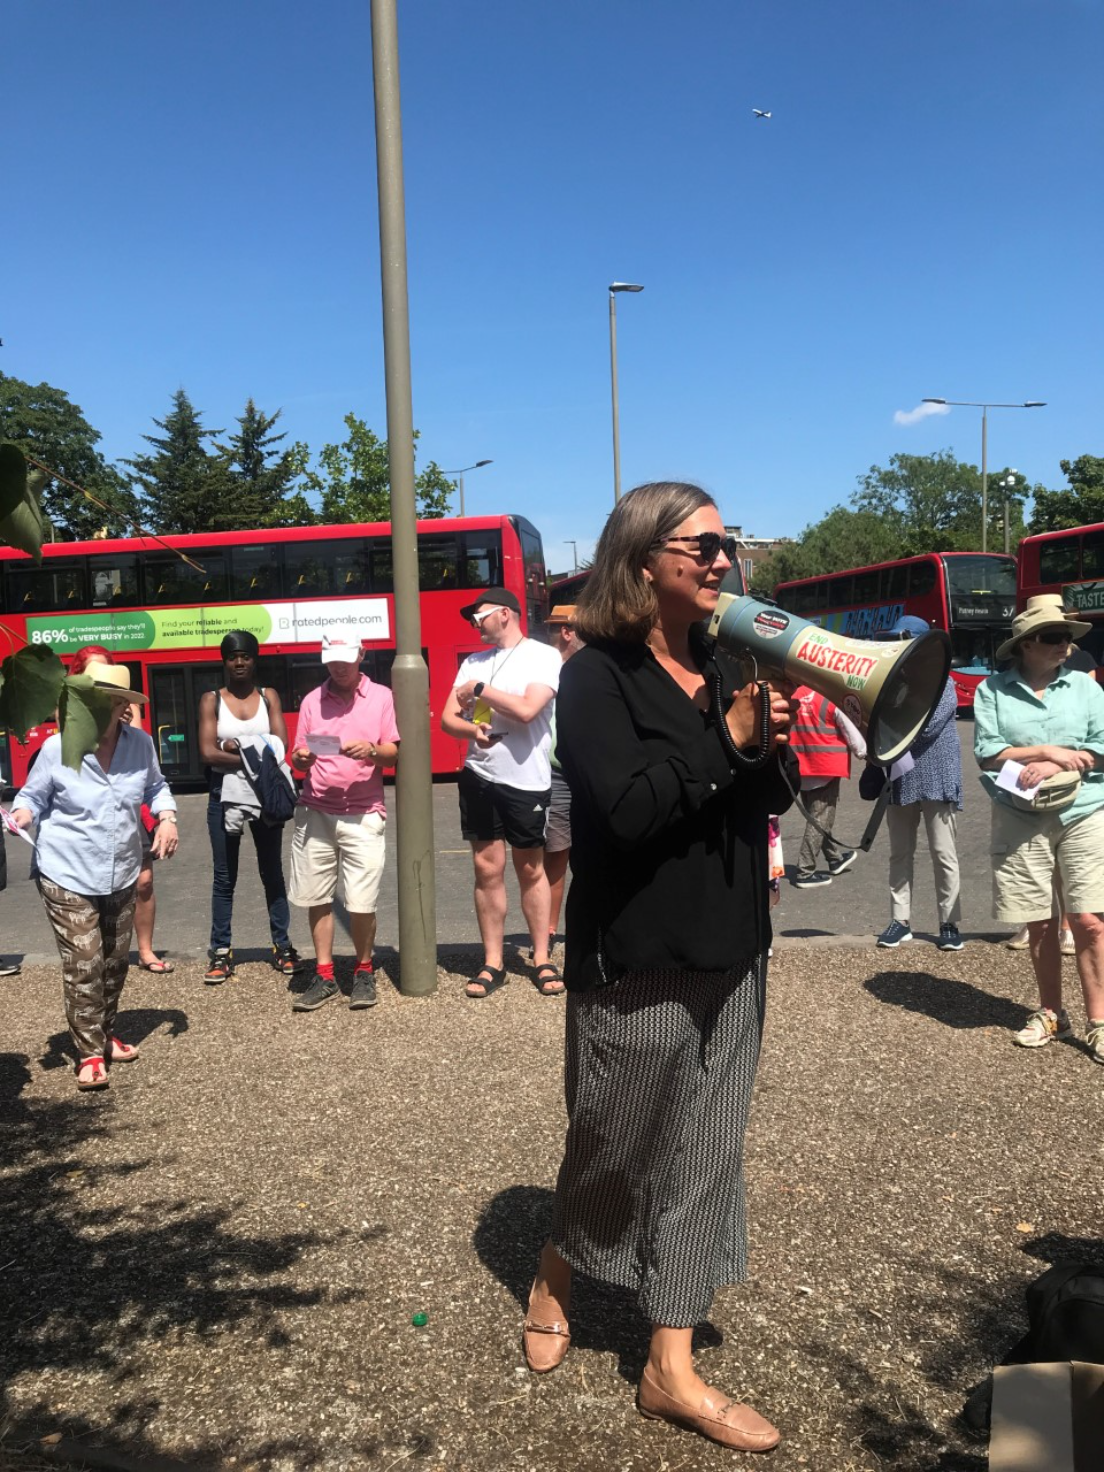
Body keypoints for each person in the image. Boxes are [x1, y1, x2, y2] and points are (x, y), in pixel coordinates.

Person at [525, 483, 795, 1453]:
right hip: (635, 953)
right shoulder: (594, 677)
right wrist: (725, 740)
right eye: (705, 543)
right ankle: (557, 1263)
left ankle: (668, 1364)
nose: (723, 559)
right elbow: (630, 813)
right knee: (615, 1146)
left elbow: (760, 796)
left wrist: (771, 741)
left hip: (735, 949)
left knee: (706, 1154)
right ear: (645, 559)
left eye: (728, 543)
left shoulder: (725, 659)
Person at [9, 661, 179, 1090]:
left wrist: (167, 818)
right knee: (86, 964)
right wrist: (22, 814)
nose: (100, 707)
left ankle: (103, 1033)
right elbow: (30, 795)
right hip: (65, 870)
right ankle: (89, 1052)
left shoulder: (140, 745)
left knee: (115, 964)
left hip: (120, 869)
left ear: (122, 706)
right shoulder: (58, 747)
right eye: (92, 699)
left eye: (111, 701)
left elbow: (157, 787)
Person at [974, 595, 1104, 1059]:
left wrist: (1068, 763)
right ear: (1027, 643)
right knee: (1041, 922)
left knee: (1088, 921)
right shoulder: (991, 690)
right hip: (1018, 813)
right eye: (1054, 637)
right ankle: (1053, 1012)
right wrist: (1044, 753)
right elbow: (988, 751)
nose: (1064, 645)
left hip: (1084, 809)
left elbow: (1101, 747)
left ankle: (1099, 1020)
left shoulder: (1087, 690)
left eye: (1068, 637)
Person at [441, 587, 563, 998]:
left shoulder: (542, 655)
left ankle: (541, 956)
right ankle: (492, 960)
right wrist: (473, 728)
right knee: (486, 869)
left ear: (506, 614)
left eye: (480, 616)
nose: (474, 624)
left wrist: (478, 690)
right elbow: (446, 719)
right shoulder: (473, 662)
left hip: (526, 778)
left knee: (530, 869)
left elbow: (529, 709)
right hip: (479, 774)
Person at [288, 632, 400, 1012]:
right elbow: (297, 755)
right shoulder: (311, 700)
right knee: (316, 897)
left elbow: (392, 754)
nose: (338, 667)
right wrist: (302, 760)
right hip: (315, 809)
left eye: (345, 660)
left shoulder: (381, 697)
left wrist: (371, 750)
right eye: (331, 661)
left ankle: (364, 970)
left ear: (361, 656)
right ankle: (324, 975)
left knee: (360, 900)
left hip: (363, 811)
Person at [197, 631, 300, 983]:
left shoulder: (268, 697)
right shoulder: (211, 700)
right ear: (223, 661)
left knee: (272, 872)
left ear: (255, 659)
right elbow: (208, 753)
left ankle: (283, 946)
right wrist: (255, 750)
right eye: (231, 657)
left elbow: (281, 746)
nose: (238, 662)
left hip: (264, 795)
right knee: (224, 878)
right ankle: (221, 952)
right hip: (222, 796)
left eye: (245, 656)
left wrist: (236, 747)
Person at [67, 645, 173, 974]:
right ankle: (99, 948)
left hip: (131, 802)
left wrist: (122, 717)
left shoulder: (127, 709)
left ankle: (144, 950)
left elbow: (142, 755)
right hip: (90, 807)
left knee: (142, 882)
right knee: (98, 887)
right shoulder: (68, 708)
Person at [876, 616, 964, 951]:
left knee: (944, 853)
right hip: (899, 777)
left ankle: (949, 922)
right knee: (900, 852)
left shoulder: (945, 683)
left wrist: (886, 729)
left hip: (938, 776)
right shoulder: (892, 682)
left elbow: (923, 728)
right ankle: (900, 920)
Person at [790, 684, 865, 888]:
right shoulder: (829, 696)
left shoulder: (793, 695)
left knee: (817, 816)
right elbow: (851, 732)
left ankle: (834, 858)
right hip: (826, 765)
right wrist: (863, 752)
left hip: (800, 765)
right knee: (820, 819)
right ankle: (805, 871)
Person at [544, 605, 584, 949]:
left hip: (588, 772)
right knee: (557, 854)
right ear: (568, 632)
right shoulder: (545, 667)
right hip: (555, 773)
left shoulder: (591, 670)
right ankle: (548, 929)